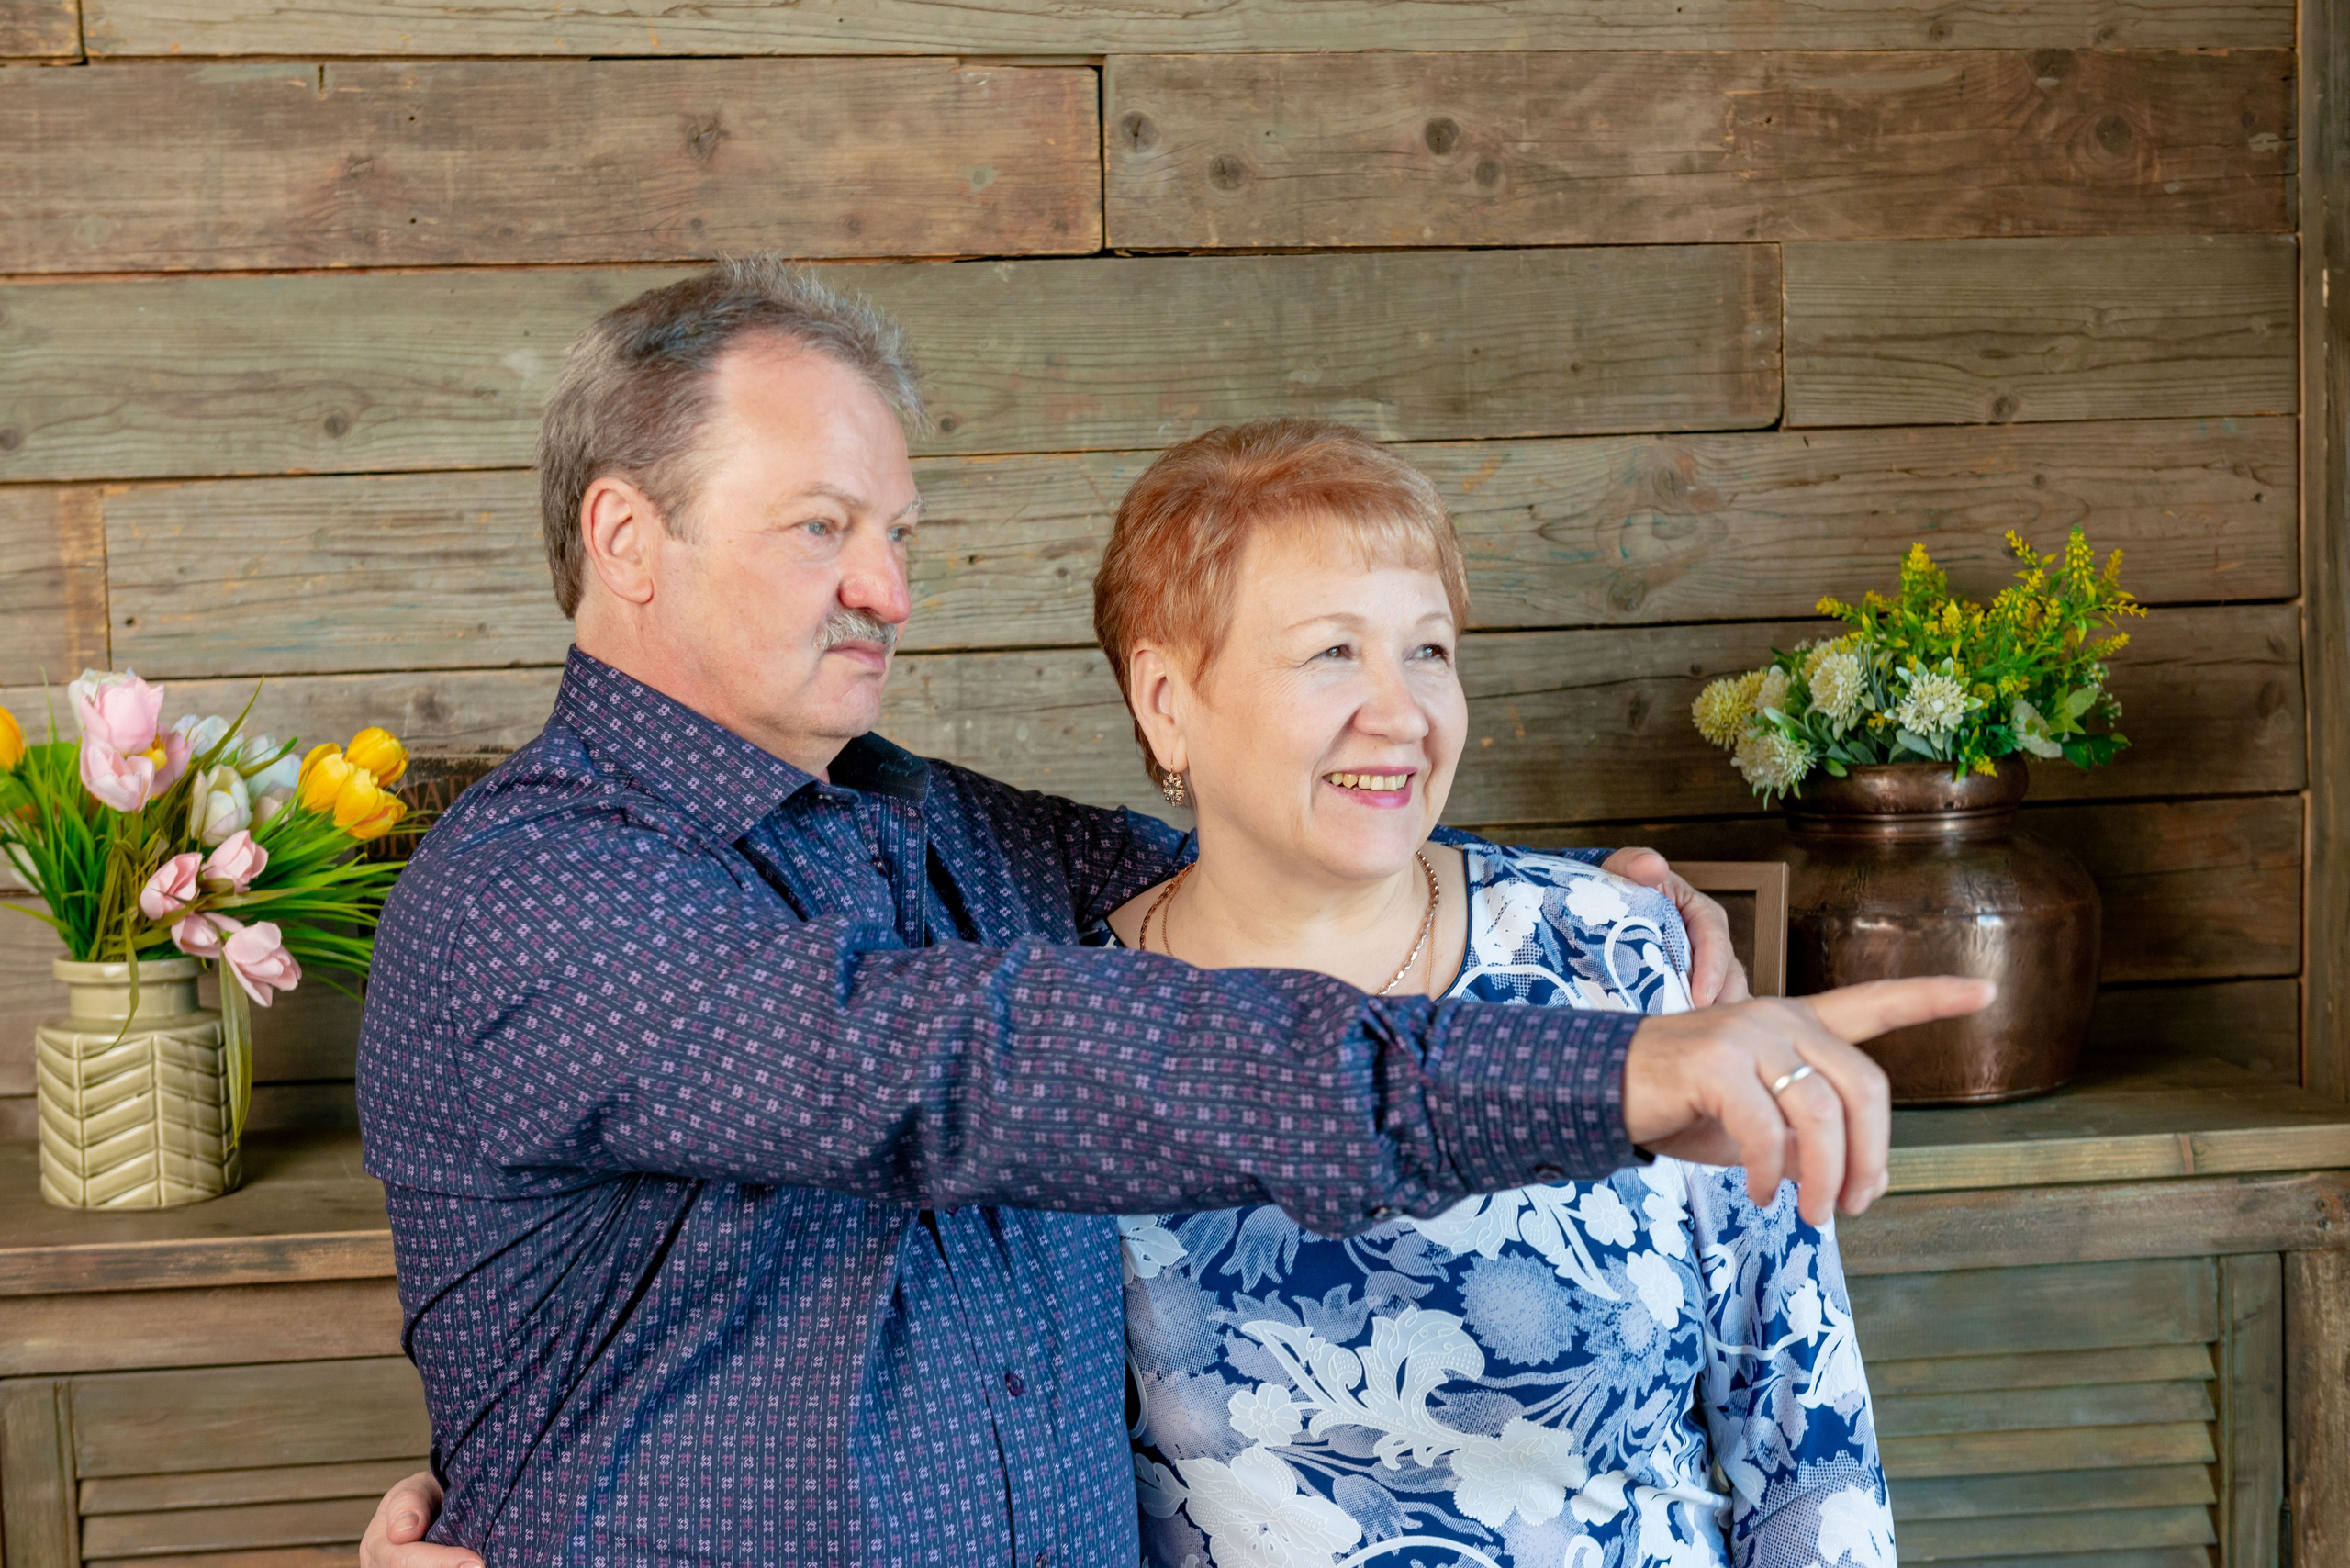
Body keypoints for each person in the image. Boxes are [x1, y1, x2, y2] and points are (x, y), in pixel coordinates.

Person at [354, 258, 1985, 1567]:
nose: (890, 591)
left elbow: (1282, 837)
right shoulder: (528, 895)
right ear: (626, 538)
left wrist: (1572, 915)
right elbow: (987, 1064)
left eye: (900, 535)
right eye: (822, 528)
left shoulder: (947, 833)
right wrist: (1614, 1069)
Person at [1090, 421, 1886, 1566]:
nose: (1402, 712)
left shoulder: (1613, 949)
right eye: (1331, 652)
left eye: (1428, 650)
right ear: (1167, 698)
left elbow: (1809, 1436)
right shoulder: (1071, 1031)